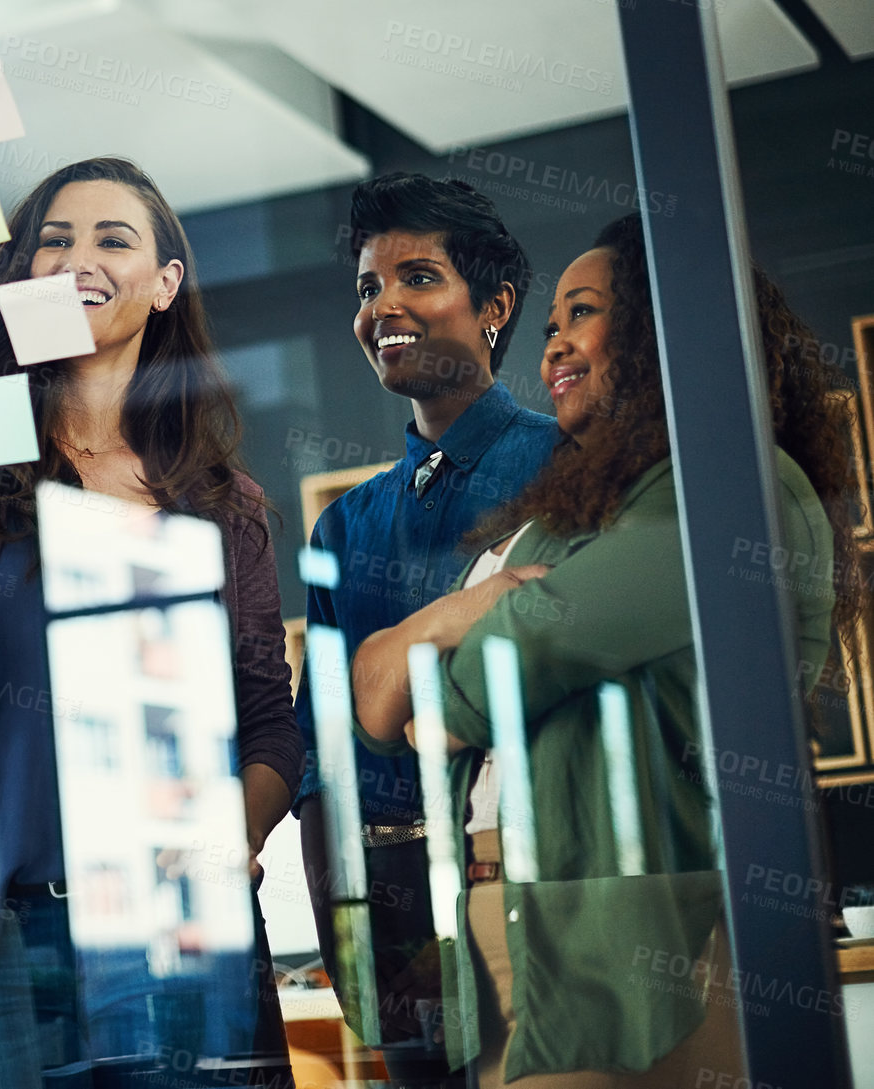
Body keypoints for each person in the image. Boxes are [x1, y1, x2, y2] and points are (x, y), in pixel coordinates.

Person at [350, 213, 863, 1087]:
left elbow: (483, 680)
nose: (552, 344)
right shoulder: (562, 517)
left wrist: (443, 646)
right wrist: (455, 616)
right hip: (508, 929)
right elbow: (371, 699)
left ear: (666, 327)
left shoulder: (731, 483)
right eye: (549, 325)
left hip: (631, 936)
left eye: (580, 313)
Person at [0, 156, 303, 1089]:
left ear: (163, 284)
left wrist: (230, 844)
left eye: (113, 239)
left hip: (180, 933)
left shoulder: (223, 507)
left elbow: (268, 720)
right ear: (20, 281)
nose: (76, 259)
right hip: (4, 942)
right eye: (52, 241)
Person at [293, 173, 558, 1085]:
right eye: (368, 287)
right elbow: (317, 757)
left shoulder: (569, 466)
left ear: (493, 307)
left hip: (528, 889)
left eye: (417, 277)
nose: (384, 306)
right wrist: (347, 933)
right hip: (391, 916)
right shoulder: (343, 527)